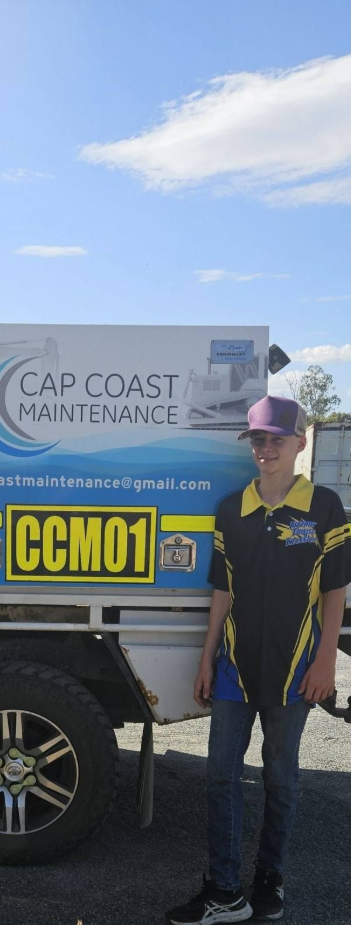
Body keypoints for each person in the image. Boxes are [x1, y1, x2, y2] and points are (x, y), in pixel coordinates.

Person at [166, 395, 351, 925]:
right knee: (220, 777)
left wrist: (326, 664)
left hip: (295, 670)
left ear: (300, 442)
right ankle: (225, 891)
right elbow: (221, 591)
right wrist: (205, 658)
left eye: (277, 438)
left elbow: (335, 592)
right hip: (232, 667)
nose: (267, 448)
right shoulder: (232, 508)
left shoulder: (325, 507)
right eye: (259, 439)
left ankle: (270, 880)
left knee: (280, 777)